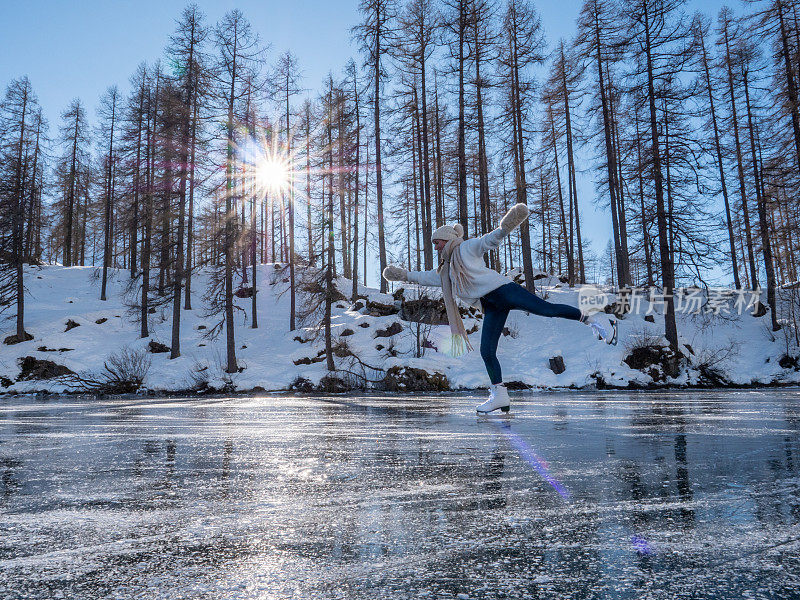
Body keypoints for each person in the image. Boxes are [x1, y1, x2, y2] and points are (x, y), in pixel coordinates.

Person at [382, 203, 615, 414]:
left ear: (446, 239)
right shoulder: (446, 271)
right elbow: (424, 277)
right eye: (434, 244)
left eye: (437, 242)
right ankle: (500, 395)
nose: (436, 247)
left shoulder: (465, 248)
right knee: (487, 351)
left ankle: (594, 319)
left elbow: (487, 241)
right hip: (490, 305)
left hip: (503, 290)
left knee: (546, 309)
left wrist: (506, 227)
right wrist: (403, 275)